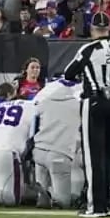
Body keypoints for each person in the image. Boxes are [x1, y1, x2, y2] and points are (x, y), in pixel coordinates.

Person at [62, 12, 110, 218]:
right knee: (107, 155)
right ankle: (105, 202)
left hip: (95, 101)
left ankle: (95, 206)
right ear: (109, 28)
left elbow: (68, 73)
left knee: (93, 156)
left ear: (92, 29)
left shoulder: (88, 49)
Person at [33, 77, 86, 209]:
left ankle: (43, 194)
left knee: (43, 172)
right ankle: (58, 199)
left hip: (39, 150)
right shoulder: (77, 105)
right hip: (59, 153)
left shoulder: (44, 102)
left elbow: (33, 124)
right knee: (64, 203)